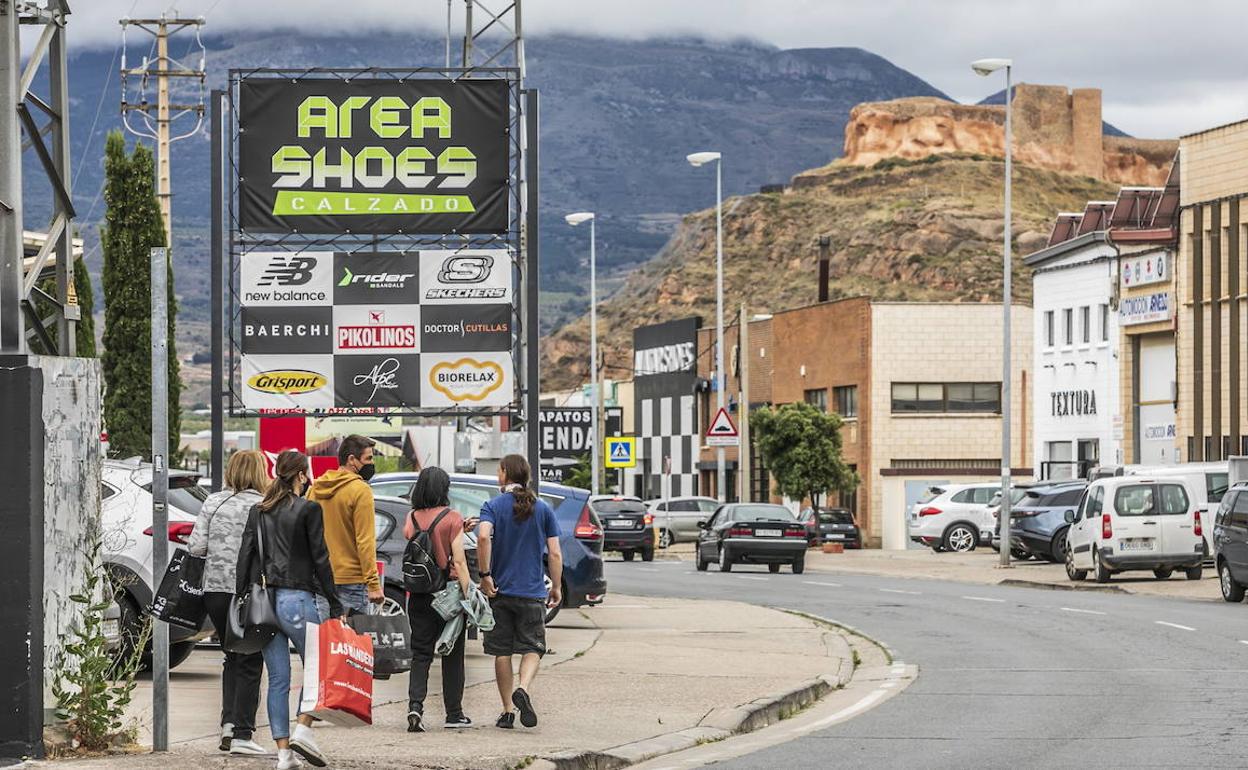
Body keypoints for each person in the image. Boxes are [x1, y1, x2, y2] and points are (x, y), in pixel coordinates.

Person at [237, 450, 344, 770]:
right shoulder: (308, 509)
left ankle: (284, 755)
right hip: (298, 600)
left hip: (265, 603)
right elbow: (321, 559)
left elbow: (245, 556)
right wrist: (335, 601)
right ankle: (303, 730)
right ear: (300, 475)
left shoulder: (259, 511)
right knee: (320, 670)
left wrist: (243, 596)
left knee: (279, 679)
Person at [187, 450, 270, 756]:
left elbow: (195, 547)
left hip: (215, 591)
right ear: (260, 471)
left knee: (230, 655)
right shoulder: (264, 504)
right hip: (249, 591)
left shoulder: (213, 501)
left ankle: (227, 725)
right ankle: (243, 733)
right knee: (250, 659)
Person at [477, 454, 563, 729]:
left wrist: (485, 575)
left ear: (504, 473)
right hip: (532, 591)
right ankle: (523, 688)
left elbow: (482, 537)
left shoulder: (492, 505)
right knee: (533, 647)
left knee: (502, 651)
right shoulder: (544, 508)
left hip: (500, 592)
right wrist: (557, 586)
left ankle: (507, 711)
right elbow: (555, 554)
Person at [402, 467, 474, 733]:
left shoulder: (411, 517)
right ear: (443, 489)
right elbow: (459, 560)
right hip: (448, 596)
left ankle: (415, 707)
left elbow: (419, 541)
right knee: (452, 653)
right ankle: (454, 714)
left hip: (419, 595)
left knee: (420, 654)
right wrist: (469, 595)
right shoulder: (453, 517)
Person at [308, 434, 382, 615]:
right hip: (353, 580)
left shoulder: (315, 489)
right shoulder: (361, 490)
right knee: (353, 642)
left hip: (321, 577)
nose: (372, 464)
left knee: (326, 640)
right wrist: (373, 583)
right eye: (368, 458)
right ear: (351, 460)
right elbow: (365, 541)